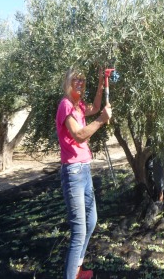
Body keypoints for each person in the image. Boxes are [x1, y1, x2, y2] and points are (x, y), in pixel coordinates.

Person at [56, 67, 112, 279]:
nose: (79, 82)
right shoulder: (65, 105)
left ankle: (78, 270)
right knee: (79, 231)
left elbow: (97, 106)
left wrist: (101, 81)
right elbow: (79, 135)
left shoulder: (78, 106)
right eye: (75, 79)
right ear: (67, 82)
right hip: (73, 173)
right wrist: (101, 120)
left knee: (91, 221)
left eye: (82, 80)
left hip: (84, 169)